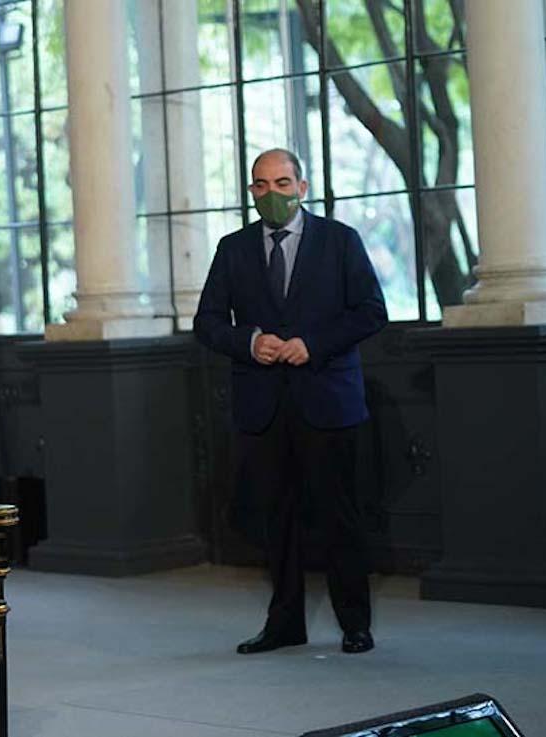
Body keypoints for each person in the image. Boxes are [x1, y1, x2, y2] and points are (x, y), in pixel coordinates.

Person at [194, 148, 388, 655]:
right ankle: (284, 624)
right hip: (263, 404)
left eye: (283, 183)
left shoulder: (340, 241)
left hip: (327, 398)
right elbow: (207, 322)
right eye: (261, 185)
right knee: (275, 519)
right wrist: (251, 341)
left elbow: (371, 311)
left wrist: (314, 344)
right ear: (252, 191)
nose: (272, 194)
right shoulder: (232, 249)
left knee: (340, 516)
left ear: (303, 187)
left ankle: (355, 623)